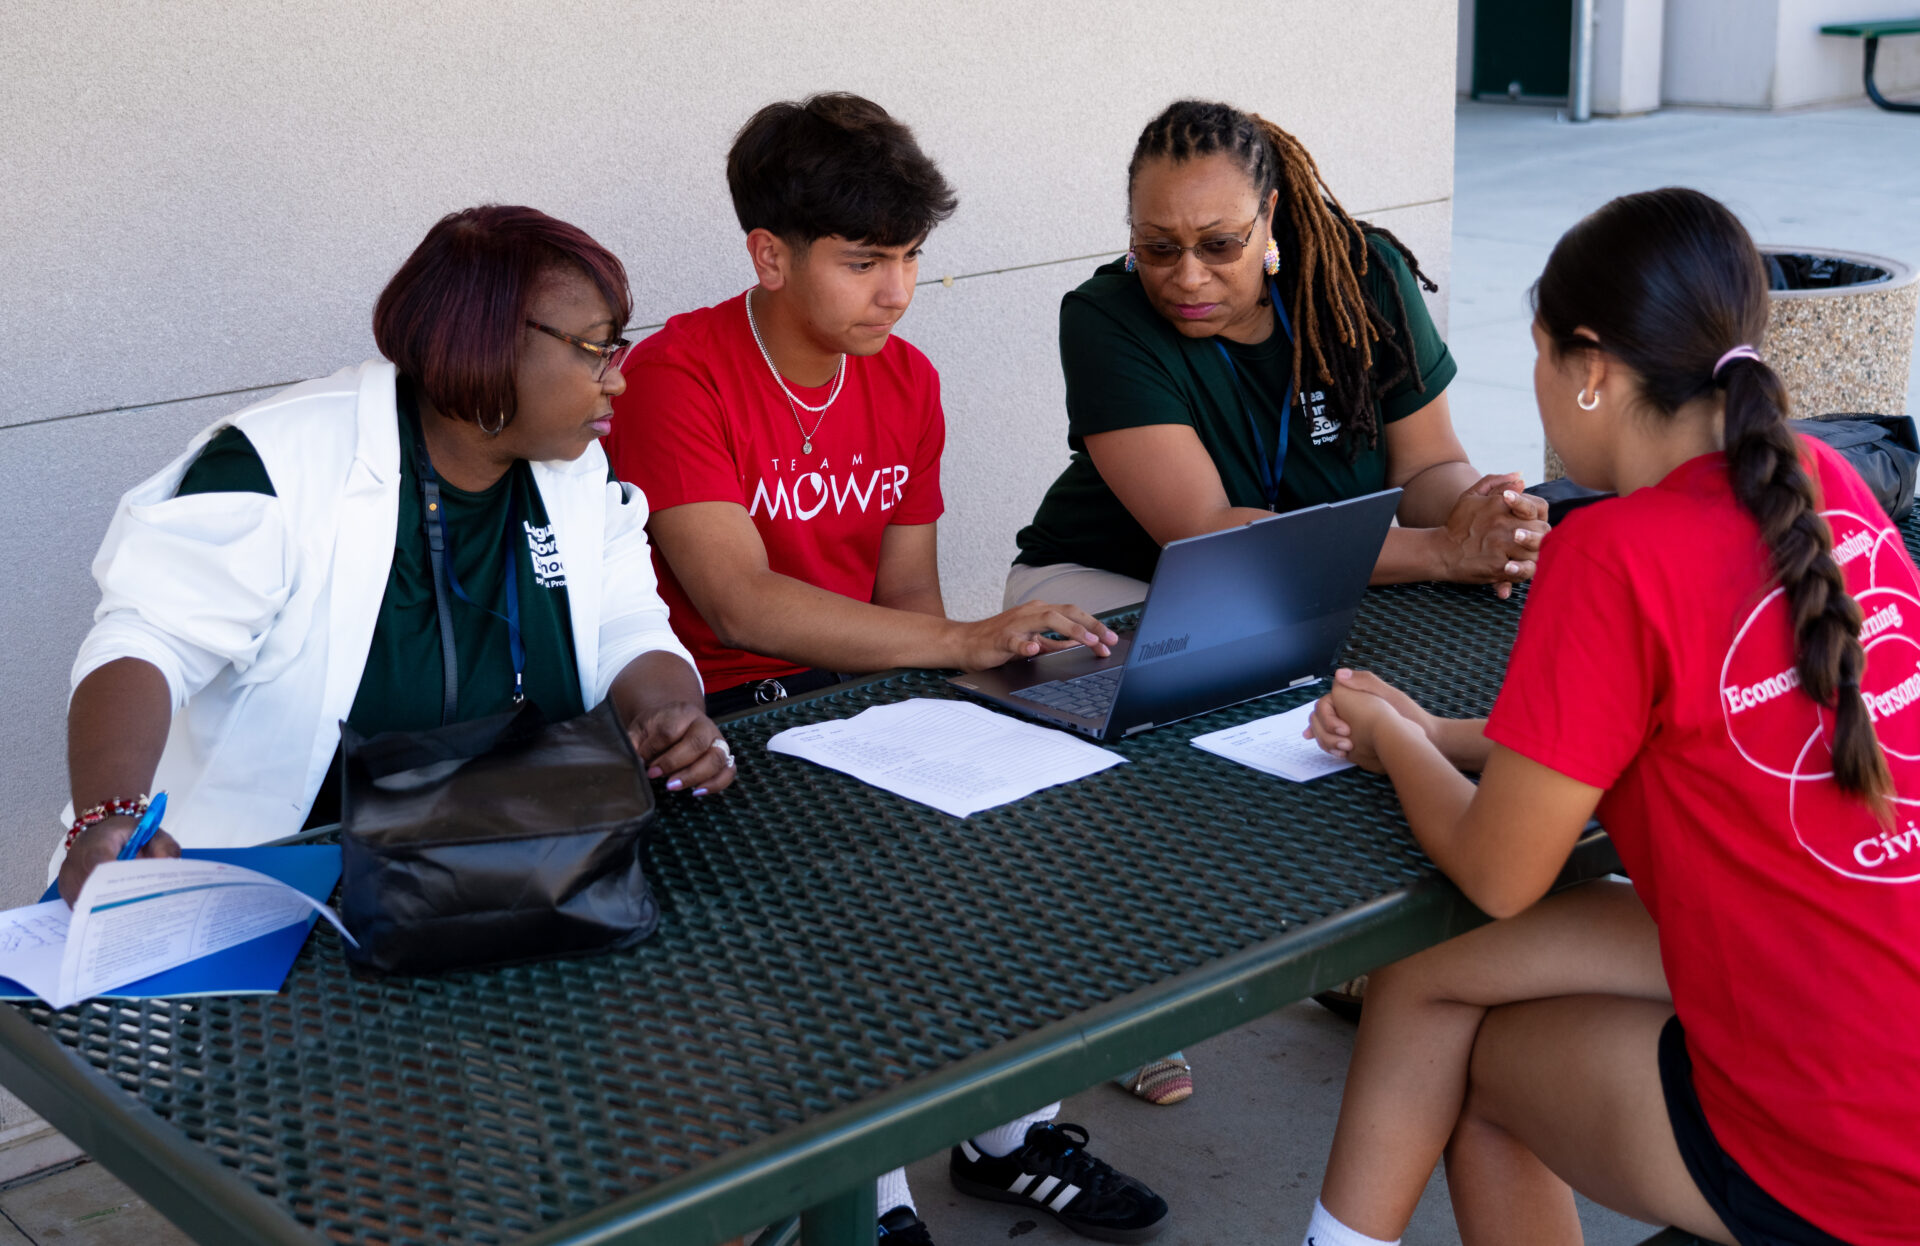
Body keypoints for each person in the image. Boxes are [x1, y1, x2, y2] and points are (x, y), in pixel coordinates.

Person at [1298, 187, 1920, 1246]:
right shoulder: (1821, 484)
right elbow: (1689, 718)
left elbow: (1499, 871)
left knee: (1485, 1078)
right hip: (1865, 985)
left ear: (1588, 368)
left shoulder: (1612, 554)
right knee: (1430, 973)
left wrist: (1399, 744)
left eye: (1540, 357)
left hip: (1847, 1145)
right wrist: (1444, 730)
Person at [606, 94, 1165, 1246]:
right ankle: (870, 1201)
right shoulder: (679, 375)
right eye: (865, 261)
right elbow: (736, 598)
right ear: (770, 253)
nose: (897, 290)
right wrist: (961, 643)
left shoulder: (904, 380)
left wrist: (987, 683)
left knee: (1059, 815)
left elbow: (907, 601)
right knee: (852, 896)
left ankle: (1005, 1140)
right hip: (706, 721)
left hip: (855, 696)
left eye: (911, 258)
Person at [58, 205, 732, 905]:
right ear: (490, 348)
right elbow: (147, 643)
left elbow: (626, 624)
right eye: (596, 348)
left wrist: (668, 713)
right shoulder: (279, 463)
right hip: (286, 895)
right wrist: (111, 814)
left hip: (520, 875)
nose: (617, 379)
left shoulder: (574, 468)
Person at [1009, 99, 1548, 619]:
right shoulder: (1104, 317)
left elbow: (1428, 467)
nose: (1189, 277)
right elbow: (1205, 531)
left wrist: (1482, 521)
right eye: (1158, 247)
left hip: (1312, 583)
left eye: (1219, 244)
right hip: (1110, 584)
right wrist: (1441, 551)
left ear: (1268, 211)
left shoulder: (1361, 277)